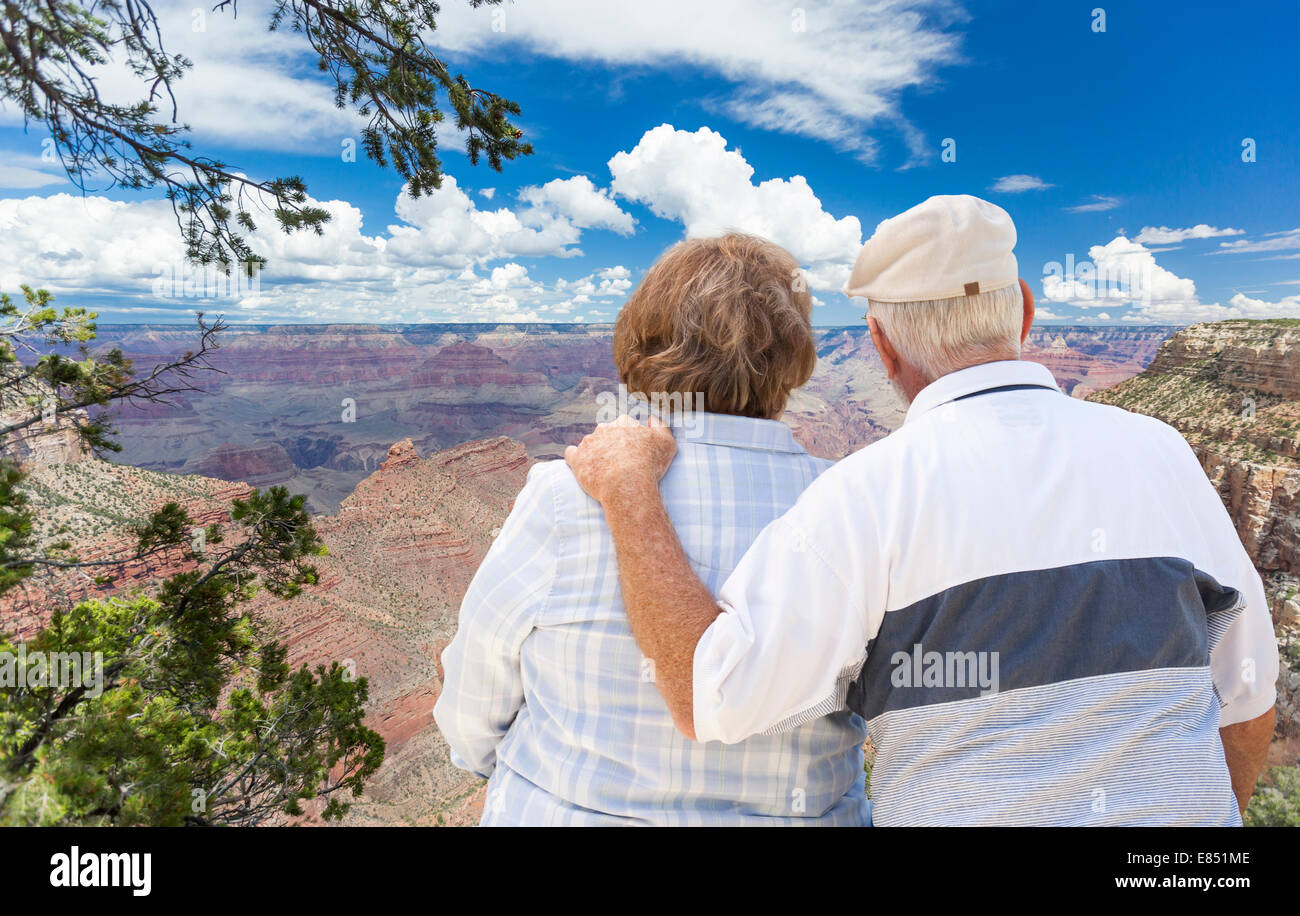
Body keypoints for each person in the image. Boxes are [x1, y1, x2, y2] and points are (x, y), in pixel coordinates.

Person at [563, 195, 1280, 826]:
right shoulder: (1161, 453)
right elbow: (1246, 707)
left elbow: (706, 695)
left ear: (879, 345)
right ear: (1024, 311)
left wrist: (629, 491)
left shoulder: (865, 495)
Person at [434, 233, 870, 826]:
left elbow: (476, 691)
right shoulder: (854, 506)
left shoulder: (566, 495)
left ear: (642, 343)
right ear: (794, 357)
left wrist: (514, 779)